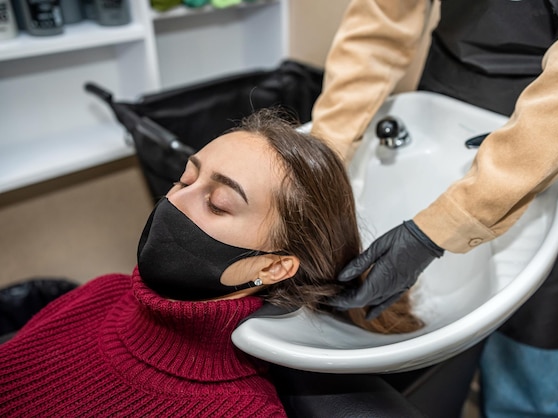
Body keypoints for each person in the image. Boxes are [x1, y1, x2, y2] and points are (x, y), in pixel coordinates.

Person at [311, 0, 558, 416]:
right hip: (453, 84)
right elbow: (381, 18)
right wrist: (323, 157)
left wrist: (438, 229)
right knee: (438, 344)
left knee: (530, 355)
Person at [0, 109, 422, 417]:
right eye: (185, 178)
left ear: (274, 267)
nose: (174, 200)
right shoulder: (100, 291)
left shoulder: (241, 410)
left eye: (218, 204)